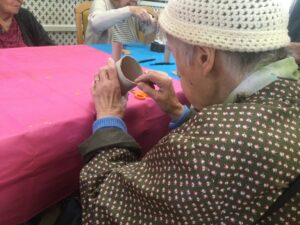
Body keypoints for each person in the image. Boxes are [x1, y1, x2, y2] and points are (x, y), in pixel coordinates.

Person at [79, 0, 300, 224]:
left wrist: (109, 117)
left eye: (174, 55)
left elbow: (103, 209)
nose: (178, 70)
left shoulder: (215, 150)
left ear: (205, 58)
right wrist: (178, 111)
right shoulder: (286, 94)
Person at [85, 0, 157, 44]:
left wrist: (156, 23)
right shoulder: (101, 2)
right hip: (102, 57)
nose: (134, 2)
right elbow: (96, 24)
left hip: (130, 59)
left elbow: (150, 29)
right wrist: (129, 10)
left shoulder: (132, 6)